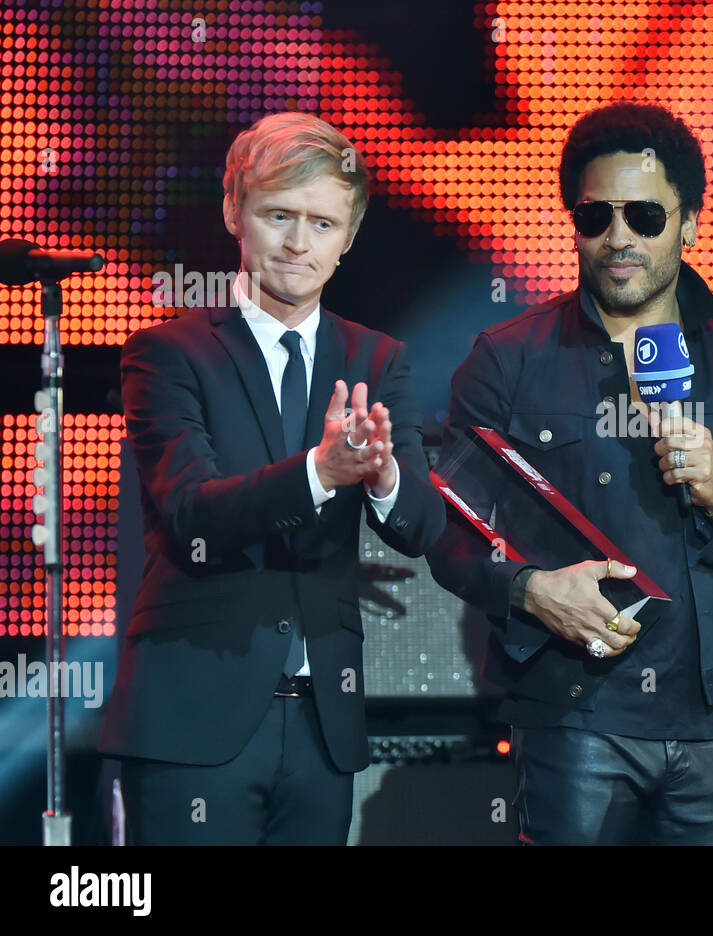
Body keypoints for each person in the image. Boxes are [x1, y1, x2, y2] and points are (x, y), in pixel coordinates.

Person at [426, 102, 713, 845]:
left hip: (708, 726)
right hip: (572, 717)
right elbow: (447, 534)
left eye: (644, 215)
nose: (619, 238)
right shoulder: (507, 358)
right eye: (595, 216)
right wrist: (532, 591)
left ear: (690, 223)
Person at [98, 112, 446, 844]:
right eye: (278, 215)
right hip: (192, 723)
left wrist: (382, 477)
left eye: (323, 223)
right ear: (234, 211)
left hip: (323, 727)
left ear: (348, 237)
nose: (297, 243)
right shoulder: (167, 354)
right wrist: (322, 471)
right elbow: (192, 514)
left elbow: (421, 527)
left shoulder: (378, 359)